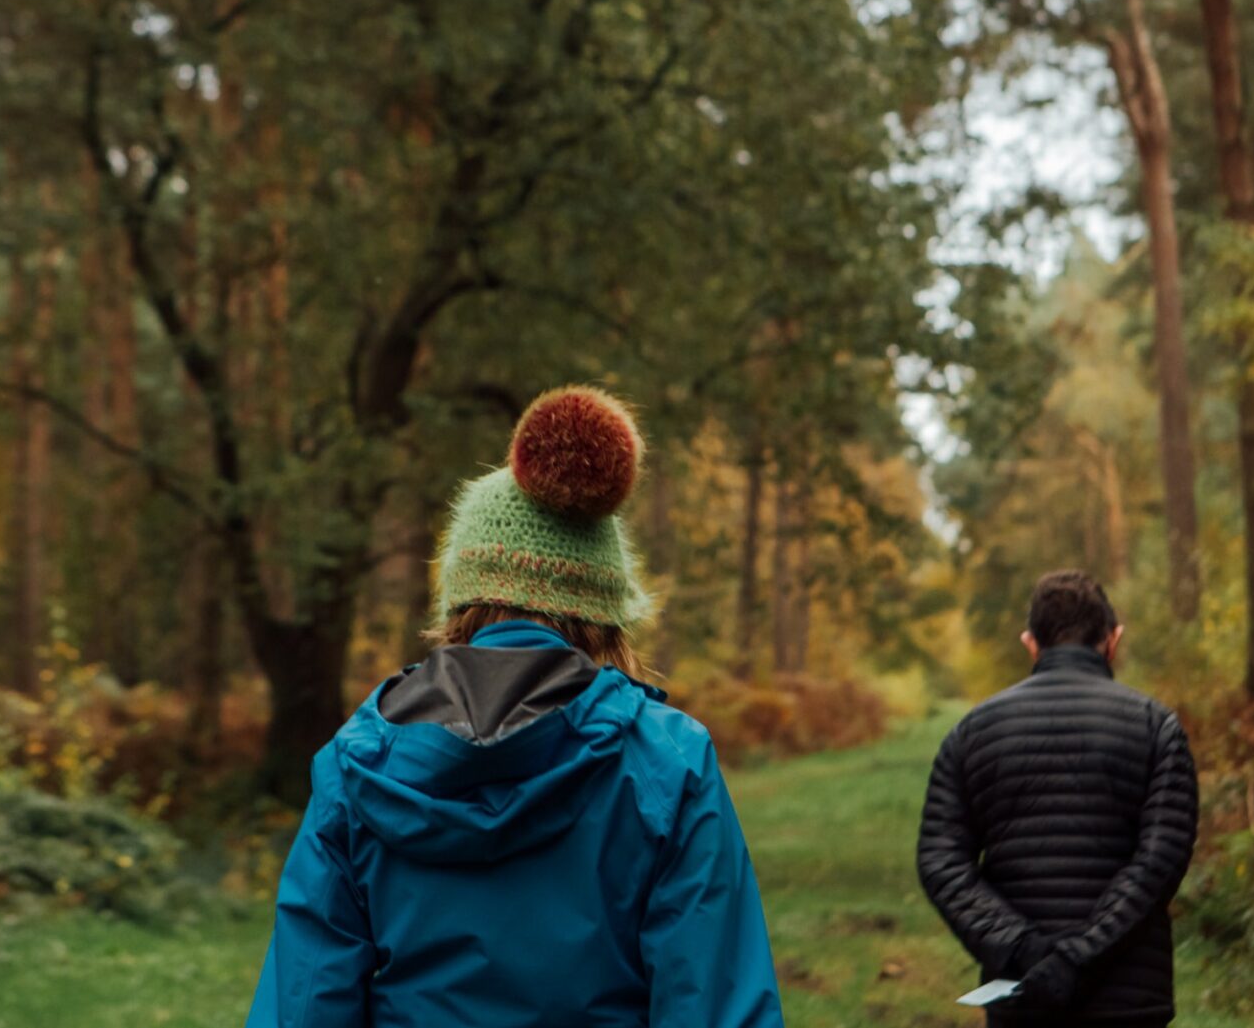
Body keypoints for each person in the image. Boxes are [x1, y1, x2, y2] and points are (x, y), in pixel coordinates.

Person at [245, 385, 784, 1028]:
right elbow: (718, 1007)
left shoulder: (356, 765)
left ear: (462, 599)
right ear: (603, 608)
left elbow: (303, 1008)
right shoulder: (668, 764)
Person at [916, 570, 1200, 1026]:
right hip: (1127, 1002)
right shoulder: (1157, 727)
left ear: (1031, 643)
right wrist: (1078, 957)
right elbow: (1160, 860)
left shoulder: (970, 733)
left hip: (1021, 1000)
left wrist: (1022, 950)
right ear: (1114, 640)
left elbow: (940, 861)